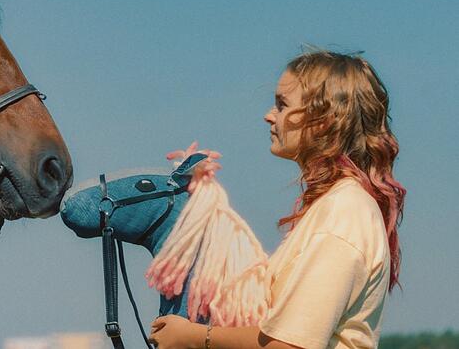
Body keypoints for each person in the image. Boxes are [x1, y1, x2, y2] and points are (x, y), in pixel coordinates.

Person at [148, 50, 406, 349]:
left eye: (282, 105)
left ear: (324, 121)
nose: (269, 115)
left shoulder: (344, 211)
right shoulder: (335, 206)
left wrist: (194, 337)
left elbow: (290, 345)